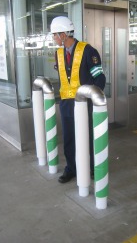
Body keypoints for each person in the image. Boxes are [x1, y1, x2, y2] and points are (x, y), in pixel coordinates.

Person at [51, 16, 106, 183]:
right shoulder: (58, 53)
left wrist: (92, 100)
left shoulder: (88, 51)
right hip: (66, 104)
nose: (53, 38)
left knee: (88, 137)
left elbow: (100, 79)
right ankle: (71, 169)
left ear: (63, 34)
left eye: (55, 34)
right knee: (69, 139)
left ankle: (91, 168)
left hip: (84, 105)